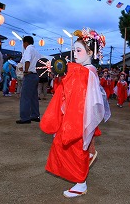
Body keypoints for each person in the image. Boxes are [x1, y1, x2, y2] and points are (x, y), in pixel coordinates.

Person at [40, 28, 110, 198]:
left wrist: (59, 67)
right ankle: (83, 171)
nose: (75, 54)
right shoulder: (84, 70)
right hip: (77, 114)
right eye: (74, 50)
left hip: (79, 116)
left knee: (75, 148)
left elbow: (73, 74)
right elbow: (69, 82)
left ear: (90, 52)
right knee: (74, 147)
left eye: (79, 50)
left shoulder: (87, 71)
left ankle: (81, 183)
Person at [16, 36, 42, 124]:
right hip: (36, 75)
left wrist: (25, 71)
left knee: (25, 97)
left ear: (25, 43)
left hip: (30, 75)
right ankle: (35, 115)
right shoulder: (36, 51)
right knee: (34, 96)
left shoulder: (28, 49)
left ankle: (25, 117)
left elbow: (27, 61)